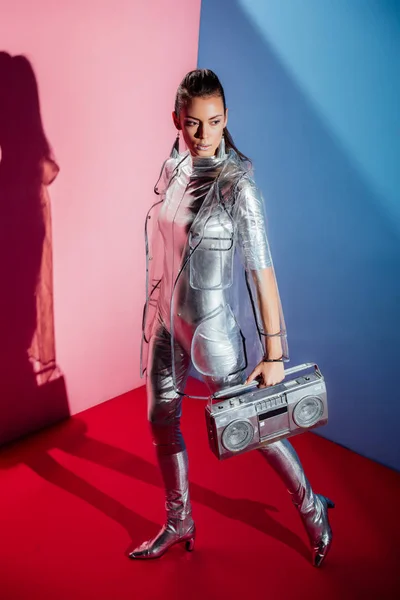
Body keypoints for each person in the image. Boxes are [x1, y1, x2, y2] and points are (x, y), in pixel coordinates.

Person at [129, 70, 334, 566]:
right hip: (166, 324)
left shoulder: (239, 187)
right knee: (162, 419)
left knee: (253, 428)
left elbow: (262, 272)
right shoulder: (173, 168)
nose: (203, 136)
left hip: (214, 332)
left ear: (226, 120)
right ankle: (180, 520)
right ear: (177, 118)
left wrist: (276, 352)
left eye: (214, 122)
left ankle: (311, 508)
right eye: (193, 123)